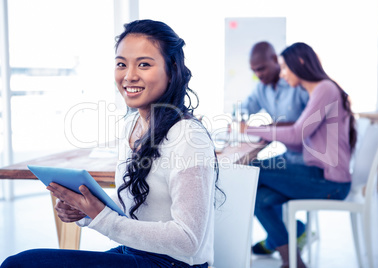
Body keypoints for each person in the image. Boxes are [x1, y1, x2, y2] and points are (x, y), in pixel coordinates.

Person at [1, 19, 221, 268]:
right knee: (25, 262)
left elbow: (188, 241)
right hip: (135, 253)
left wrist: (101, 217)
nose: (129, 76)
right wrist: (84, 210)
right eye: (121, 64)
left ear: (172, 71)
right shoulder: (132, 125)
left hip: (174, 264)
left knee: (21, 265)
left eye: (144, 65)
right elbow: (133, 203)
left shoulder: (189, 137)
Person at [245, 42, 357, 268]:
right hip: (318, 174)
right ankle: (292, 261)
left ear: (301, 63)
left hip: (328, 181)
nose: (283, 74)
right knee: (258, 198)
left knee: (250, 170)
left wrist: (248, 129)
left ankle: (287, 251)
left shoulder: (325, 89)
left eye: (285, 67)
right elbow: (302, 136)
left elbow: (297, 134)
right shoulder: (318, 90)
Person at [242, 41, 310, 255]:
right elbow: (244, 110)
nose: (258, 75)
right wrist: (239, 119)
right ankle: (290, 233)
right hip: (289, 156)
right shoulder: (261, 89)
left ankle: (276, 241)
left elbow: (306, 125)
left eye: (261, 68)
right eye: (254, 71)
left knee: (250, 174)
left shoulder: (296, 84)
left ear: (275, 60)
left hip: (308, 161)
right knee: (255, 187)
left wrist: (265, 128)